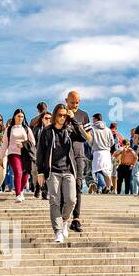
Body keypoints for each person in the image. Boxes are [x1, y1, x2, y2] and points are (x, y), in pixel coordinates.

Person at [35, 103, 80, 244]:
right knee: (54, 201)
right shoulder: (47, 131)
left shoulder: (70, 130)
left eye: (64, 115)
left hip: (68, 171)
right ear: (55, 115)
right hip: (52, 171)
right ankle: (58, 231)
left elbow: (83, 137)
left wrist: (73, 120)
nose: (62, 117)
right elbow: (40, 152)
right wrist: (40, 172)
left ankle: (65, 221)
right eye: (59, 115)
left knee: (71, 200)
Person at [64, 91, 92, 232]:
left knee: (78, 184)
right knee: (65, 186)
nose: (74, 105)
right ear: (66, 100)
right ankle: (64, 217)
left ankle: (76, 218)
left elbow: (87, 137)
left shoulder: (83, 115)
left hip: (79, 154)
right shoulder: (61, 114)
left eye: (77, 102)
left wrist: (74, 120)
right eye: (72, 102)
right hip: (63, 155)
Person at [4, 109, 35, 202]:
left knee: (26, 174)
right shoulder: (9, 129)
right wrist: (0, 158)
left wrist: (24, 144)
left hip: (25, 154)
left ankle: (21, 190)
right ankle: (17, 194)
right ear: (14, 117)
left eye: (22, 116)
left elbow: (33, 142)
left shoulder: (26, 129)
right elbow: (5, 144)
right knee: (18, 172)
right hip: (13, 153)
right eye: (18, 116)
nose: (20, 118)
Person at [90, 114, 115, 193]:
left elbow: (90, 140)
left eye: (93, 119)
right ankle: (109, 186)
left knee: (98, 170)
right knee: (106, 171)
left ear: (96, 119)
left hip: (97, 152)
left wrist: (93, 146)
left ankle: (104, 186)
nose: (92, 121)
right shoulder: (108, 129)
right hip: (107, 152)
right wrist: (107, 146)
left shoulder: (92, 129)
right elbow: (112, 142)